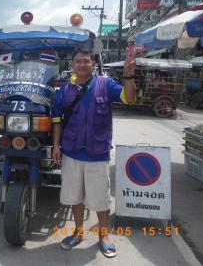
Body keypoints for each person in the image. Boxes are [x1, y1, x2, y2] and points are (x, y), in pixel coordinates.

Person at [51, 48, 136, 258]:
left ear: (93, 64)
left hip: (97, 154)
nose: (82, 65)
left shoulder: (105, 85)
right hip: (71, 153)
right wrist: (55, 146)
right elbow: (56, 120)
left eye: (86, 61)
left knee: (100, 200)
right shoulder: (64, 89)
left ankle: (103, 236)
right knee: (75, 197)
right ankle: (79, 233)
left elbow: (130, 99)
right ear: (72, 64)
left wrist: (128, 75)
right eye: (78, 61)